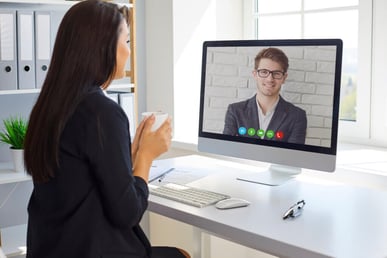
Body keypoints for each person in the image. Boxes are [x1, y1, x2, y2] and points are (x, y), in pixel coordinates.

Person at [23, 1, 190, 257]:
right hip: (93, 249)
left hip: (51, 248)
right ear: (103, 48)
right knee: (181, 254)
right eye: (126, 42)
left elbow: (84, 178)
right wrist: (146, 157)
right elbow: (128, 212)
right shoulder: (102, 112)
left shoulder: (50, 106)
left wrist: (131, 153)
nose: (129, 51)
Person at [223, 47, 307, 144]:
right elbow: (227, 149)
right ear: (255, 74)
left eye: (276, 73)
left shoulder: (297, 116)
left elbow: (293, 156)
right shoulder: (235, 111)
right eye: (264, 72)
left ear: (284, 78)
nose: (269, 79)